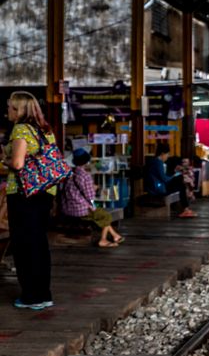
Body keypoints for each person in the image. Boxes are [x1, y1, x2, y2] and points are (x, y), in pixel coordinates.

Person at [3, 91, 58, 309]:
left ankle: (31, 296)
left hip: (24, 193)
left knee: (24, 244)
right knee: (39, 243)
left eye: (9, 107)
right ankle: (44, 293)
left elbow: (17, 164)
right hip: (45, 192)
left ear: (18, 109)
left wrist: (4, 160)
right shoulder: (45, 130)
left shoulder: (20, 130)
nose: (6, 110)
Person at [60, 148, 124, 248]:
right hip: (81, 210)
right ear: (86, 161)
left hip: (67, 208)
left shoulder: (69, 175)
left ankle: (115, 236)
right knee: (105, 216)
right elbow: (90, 197)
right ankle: (103, 240)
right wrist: (94, 206)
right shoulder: (86, 176)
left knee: (101, 214)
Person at [145, 143, 196, 218]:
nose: (167, 156)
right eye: (167, 154)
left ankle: (186, 209)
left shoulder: (155, 162)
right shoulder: (158, 163)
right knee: (180, 181)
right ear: (162, 154)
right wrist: (173, 176)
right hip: (159, 188)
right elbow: (164, 179)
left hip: (157, 186)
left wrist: (174, 175)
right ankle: (185, 209)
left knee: (181, 184)